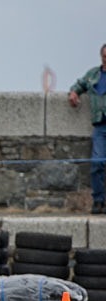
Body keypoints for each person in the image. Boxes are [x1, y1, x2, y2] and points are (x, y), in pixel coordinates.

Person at [69, 44, 106, 214]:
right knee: (97, 164)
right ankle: (98, 201)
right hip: (100, 126)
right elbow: (79, 85)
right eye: (104, 57)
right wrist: (73, 93)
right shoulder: (93, 75)